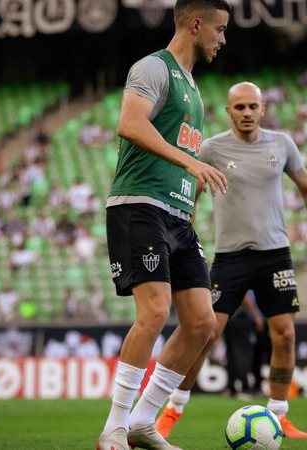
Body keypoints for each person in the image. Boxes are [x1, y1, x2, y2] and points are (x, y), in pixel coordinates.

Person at [155, 81, 307, 440]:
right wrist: (185, 221)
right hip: (230, 257)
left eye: (253, 106)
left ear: (263, 108)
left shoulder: (281, 144)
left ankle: (279, 415)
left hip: (275, 254)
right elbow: (188, 187)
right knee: (205, 334)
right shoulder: (211, 148)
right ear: (229, 112)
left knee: (284, 334)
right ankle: (172, 410)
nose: (247, 113)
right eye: (239, 108)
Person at [96, 1, 232, 449]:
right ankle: (113, 427)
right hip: (139, 206)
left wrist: (189, 197)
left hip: (176, 215)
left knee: (201, 323)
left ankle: (142, 422)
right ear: (196, 24)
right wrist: (190, 164)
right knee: (154, 312)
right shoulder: (153, 68)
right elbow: (130, 124)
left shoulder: (193, 89)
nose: (222, 39)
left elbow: (177, 152)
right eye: (219, 29)